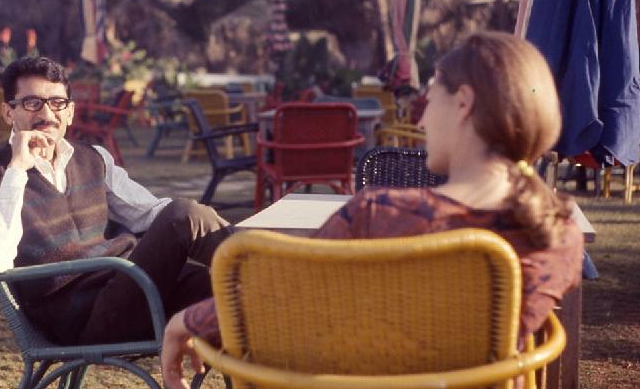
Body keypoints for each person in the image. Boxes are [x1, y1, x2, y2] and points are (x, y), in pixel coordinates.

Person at [161, 31, 584, 388]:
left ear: (463, 102)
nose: (421, 122)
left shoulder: (380, 215)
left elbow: (276, 302)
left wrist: (187, 321)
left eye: (430, 100)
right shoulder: (558, 235)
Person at [0, 56, 233, 345]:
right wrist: (17, 168)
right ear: (8, 112)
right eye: (32, 103)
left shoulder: (94, 158)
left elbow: (150, 213)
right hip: (86, 319)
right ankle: (261, 255)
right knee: (183, 215)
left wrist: (206, 223)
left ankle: (258, 266)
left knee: (236, 295)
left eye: (57, 103)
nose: (47, 114)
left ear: (70, 112)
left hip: (134, 288)